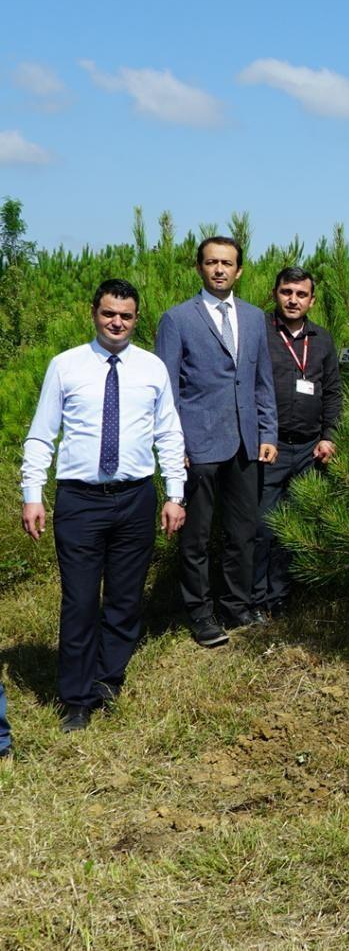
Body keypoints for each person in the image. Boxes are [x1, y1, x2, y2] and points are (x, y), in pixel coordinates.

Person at [21, 279, 187, 731]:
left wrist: (175, 494)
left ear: (137, 319)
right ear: (94, 313)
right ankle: (75, 697)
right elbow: (41, 434)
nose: (117, 322)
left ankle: (108, 679)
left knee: (125, 598)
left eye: (126, 316)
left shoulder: (152, 369)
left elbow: (169, 433)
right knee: (79, 601)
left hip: (136, 498)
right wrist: (32, 494)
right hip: (80, 501)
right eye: (109, 313)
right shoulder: (65, 366)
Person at [156, 237, 278, 648]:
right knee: (197, 537)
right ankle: (200, 612)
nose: (220, 270)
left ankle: (236, 605)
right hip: (199, 445)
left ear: (239, 270)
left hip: (246, 443)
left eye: (227, 263)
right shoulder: (178, 319)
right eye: (212, 263)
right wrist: (176, 448)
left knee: (243, 532)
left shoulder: (255, 317)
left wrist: (268, 432)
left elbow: (262, 381)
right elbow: (167, 390)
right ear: (199, 268)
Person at [253, 266, 342, 617]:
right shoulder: (259, 331)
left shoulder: (322, 339)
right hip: (269, 449)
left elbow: (333, 392)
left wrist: (328, 438)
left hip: (308, 450)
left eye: (301, 294)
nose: (293, 299)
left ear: (312, 300)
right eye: (287, 292)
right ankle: (256, 599)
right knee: (262, 526)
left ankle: (280, 597)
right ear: (275, 293)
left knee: (294, 526)